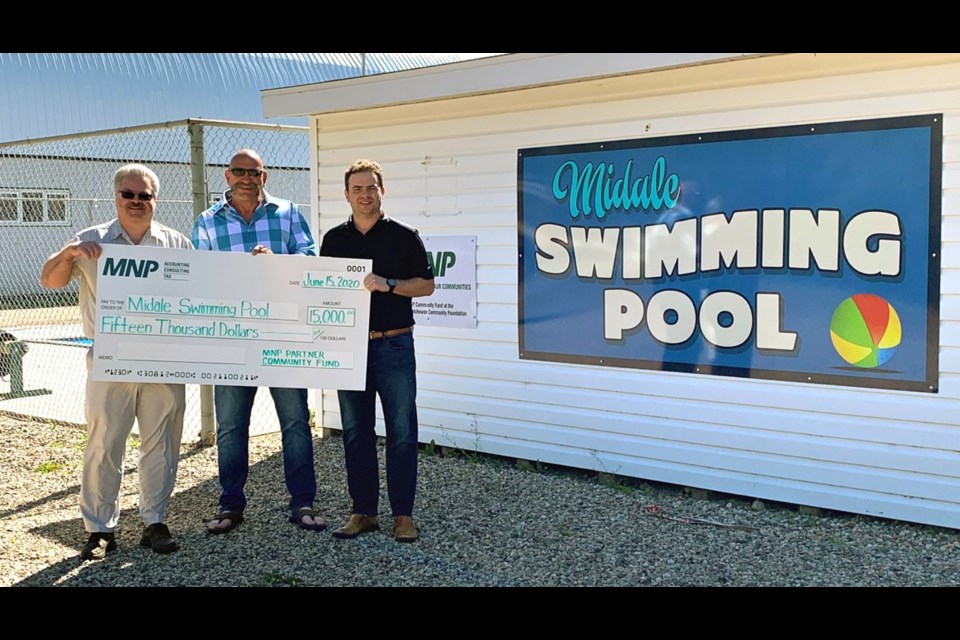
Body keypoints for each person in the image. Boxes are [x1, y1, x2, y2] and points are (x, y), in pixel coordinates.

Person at [40, 163, 190, 559]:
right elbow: (50, 280)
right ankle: (99, 528)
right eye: (129, 194)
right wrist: (69, 254)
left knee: (162, 441)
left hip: (164, 356)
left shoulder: (176, 244)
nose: (137, 202)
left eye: (145, 196)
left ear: (155, 200)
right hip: (111, 355)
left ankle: (155, 520)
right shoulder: (91, 241)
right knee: (105, 441)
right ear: (116, 196)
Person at [192, 149, 325, 534]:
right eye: (240, 172)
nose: (247, 178)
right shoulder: (207, 221)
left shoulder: (286, 212)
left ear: (264, 176)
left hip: (283, 334)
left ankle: (302, 501)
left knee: (296, 422)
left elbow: (310, 256)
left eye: (255, 172)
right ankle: (231, 503)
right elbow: (200, 273)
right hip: (232, 338)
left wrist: (277, 263)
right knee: (231, 425)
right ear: (226, 175)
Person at [319, 159, 435, 543]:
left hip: (395, 343)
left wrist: (388, 284)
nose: (364, 195)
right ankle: (363, 511)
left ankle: (403, 515)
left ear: (382, 191)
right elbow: (322, 291)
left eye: (371, 188)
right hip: (350, 347)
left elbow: (426, 286)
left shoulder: (405, 236)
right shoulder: (334, 240)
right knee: (355, 431)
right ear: (347, 194)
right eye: (357, 189)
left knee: (402, 431)